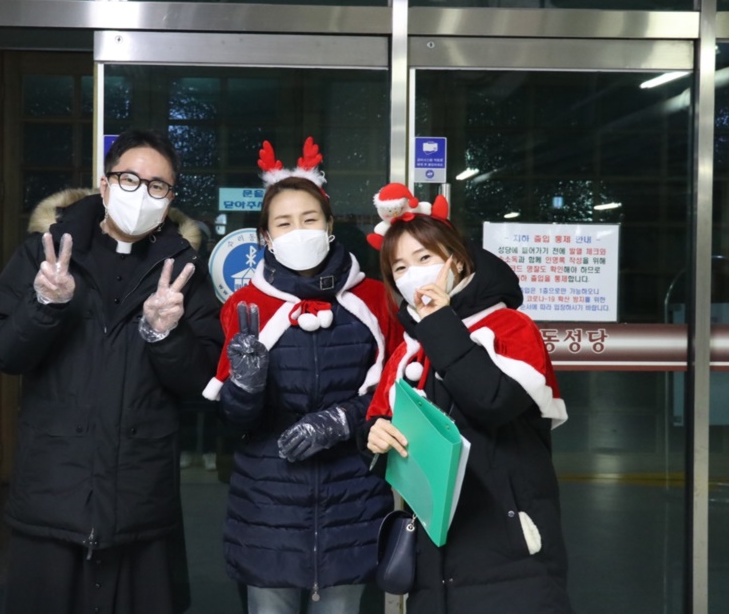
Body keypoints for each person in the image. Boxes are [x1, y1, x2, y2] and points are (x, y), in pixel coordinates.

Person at [0, 129, 224, 614]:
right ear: (105, 185)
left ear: (169, 199)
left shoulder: (183, 270)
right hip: (52, 494)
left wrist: (166, 335)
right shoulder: (44, 253)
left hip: (140, 500)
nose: (142, 193)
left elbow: (205, 381)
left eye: (157, 186)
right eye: (130, 179)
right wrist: (43, 305)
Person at [202, 138, 403, 613]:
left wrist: (341, 420)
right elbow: (233, 418)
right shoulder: (245, 305)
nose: (299, 231)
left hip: (352, 499)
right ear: (266, 237)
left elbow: (397, 387)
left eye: (310, 219)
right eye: (284, 223)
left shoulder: (374, 299)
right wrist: (246, 386)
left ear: (330, 226)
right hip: (267, 503)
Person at [362, 184, 572, 613]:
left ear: (456, 261)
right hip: (435, 557)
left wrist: (439, 321)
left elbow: (492, 401)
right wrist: (374, 435)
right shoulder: (408, 350)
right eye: (399, 267)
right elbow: (381, 426)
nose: (412, 274)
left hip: (512, 550)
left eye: (425, 258)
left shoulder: (511, 328)